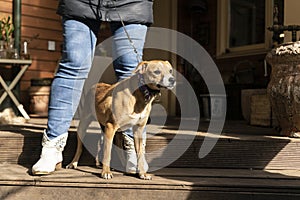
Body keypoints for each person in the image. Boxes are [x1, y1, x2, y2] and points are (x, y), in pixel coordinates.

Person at [32, 0, 153, 175]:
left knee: (130, 70)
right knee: (73, 65)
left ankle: (132, 146)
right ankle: (53, 145)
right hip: (81, 2)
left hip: (131, 3)